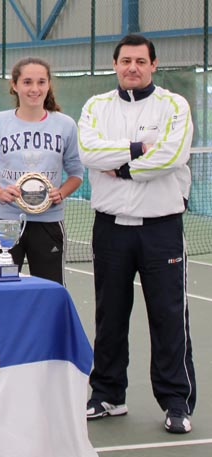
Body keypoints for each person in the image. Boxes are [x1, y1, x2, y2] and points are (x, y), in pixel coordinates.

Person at [78, 33, 196, 434]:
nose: (132, 67)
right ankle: (108, 394)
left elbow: (171, 155)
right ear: (115, 65)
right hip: (110, 229)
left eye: (140, 61)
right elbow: (89, 153)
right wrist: (137, 147)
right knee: (109, 314)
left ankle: (176, 402)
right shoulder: (96, 106)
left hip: (161, 229)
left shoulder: (174, 105)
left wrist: (124, 166)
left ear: (153, 65)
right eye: (125, 60)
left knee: (168, 316)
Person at [0, 57, 83, 285]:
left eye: (41, 82)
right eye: (27, 82)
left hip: (49, 222)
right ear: (15, 85)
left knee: (49, 289)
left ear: (48, 85)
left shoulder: (65, 125)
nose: (35, 89)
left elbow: (76, 173)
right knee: (0, 289)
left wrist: (61, 192)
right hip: (6, 222)